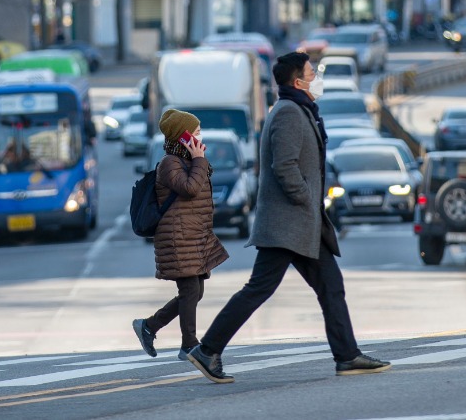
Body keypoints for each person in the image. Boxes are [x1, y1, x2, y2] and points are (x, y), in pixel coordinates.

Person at [187, 52, 391, 383]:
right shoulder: (288, 113)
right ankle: (208, 349)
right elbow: (284, 166)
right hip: (287, 224)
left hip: (302, 224)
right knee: (259, 289)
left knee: (330, 286)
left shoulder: (298, 109)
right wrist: (306, 199)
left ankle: (347, 356)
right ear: (298, 82)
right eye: (312, 74)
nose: (317, 79)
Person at [132, 109, 229, 362]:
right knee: (190, 290)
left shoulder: (186, 161)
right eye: (195, 132)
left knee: (195, 292)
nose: (200, 136)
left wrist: (197, 160)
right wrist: (199, 160)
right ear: (182, 136)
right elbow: (190, 188)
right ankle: (189, 344)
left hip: (193, 237)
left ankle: (149, 326)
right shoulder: (169, 163)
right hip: (178, 238)